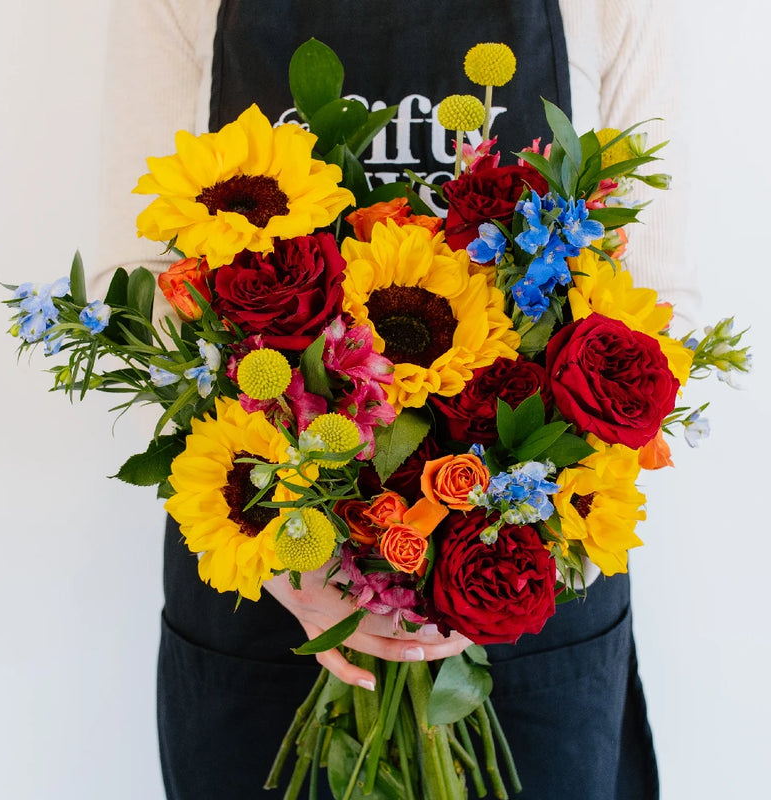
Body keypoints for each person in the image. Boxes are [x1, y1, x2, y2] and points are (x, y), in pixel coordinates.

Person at [95, 1, 698, 797]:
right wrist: (295, 557)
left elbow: (660, 307)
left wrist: (496, 550)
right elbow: (138, 294)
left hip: (520, 570)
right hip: (273, 576)